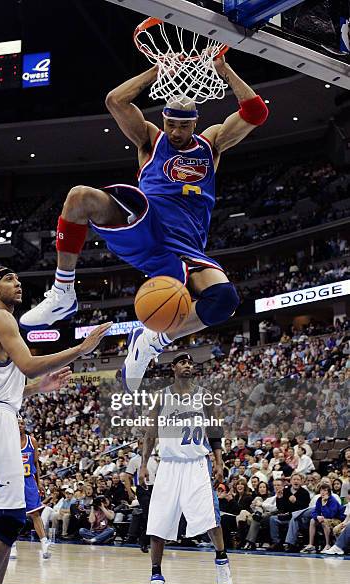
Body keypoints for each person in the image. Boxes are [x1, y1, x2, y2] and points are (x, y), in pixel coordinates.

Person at [19, 57, 268, 393]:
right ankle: (63, 292)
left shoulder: (212, 144)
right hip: (147, 226)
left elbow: (256, 113)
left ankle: (152, 340)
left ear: (195, 123)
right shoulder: (151, 140)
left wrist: (225, 70)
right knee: (79, 197)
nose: (176, 133)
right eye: (171, 125)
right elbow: (115, 100)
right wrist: (157, 71)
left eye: (183, 126)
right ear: (162, 120)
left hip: (185, 247)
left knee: (224, 299)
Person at [0, 266, 111, 584]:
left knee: (6, 518)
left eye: (17, 278)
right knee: (12, 518)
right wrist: (81, 348)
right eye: (9, 279)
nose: (17, 284)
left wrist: (37, 389)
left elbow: (3, 386)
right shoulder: (0, 318)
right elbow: (28, 364)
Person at [140, 353, 232, 584]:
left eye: (191, 363)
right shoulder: (161, 397)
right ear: (173, 367)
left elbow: (215, 432)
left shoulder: (205, 395)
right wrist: (143, 464)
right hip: (169, 465)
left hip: (196, 464)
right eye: (183, 362)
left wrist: (219, 460)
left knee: (210, 517)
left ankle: (222, 559)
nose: (188, 366)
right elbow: (150, 434)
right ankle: (156, 579)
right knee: (158, 524)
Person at [9, 416, 51, 560]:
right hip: (14, 481)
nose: (20, 425)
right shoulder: (9, 441)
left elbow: (36, 463)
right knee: (13, 514)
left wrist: (39, 482)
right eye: (17, 423)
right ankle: (13, 546)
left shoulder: (31, 441)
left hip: (28, 481)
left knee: (35, 514)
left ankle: (44, 543)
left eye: (22, 423)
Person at [301, 483, 346, 553]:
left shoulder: (332, 500)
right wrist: (317, 516)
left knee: (324, 521)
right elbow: (314, 511)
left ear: (328, 492)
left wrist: (324, 505)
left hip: (338, 520)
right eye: (321, 490)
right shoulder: (319, 499)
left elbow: (331, 514)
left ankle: (328, 544)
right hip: (327, 519)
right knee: (312, 520)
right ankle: (311, 545)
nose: (322, 492)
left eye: (325, 490)